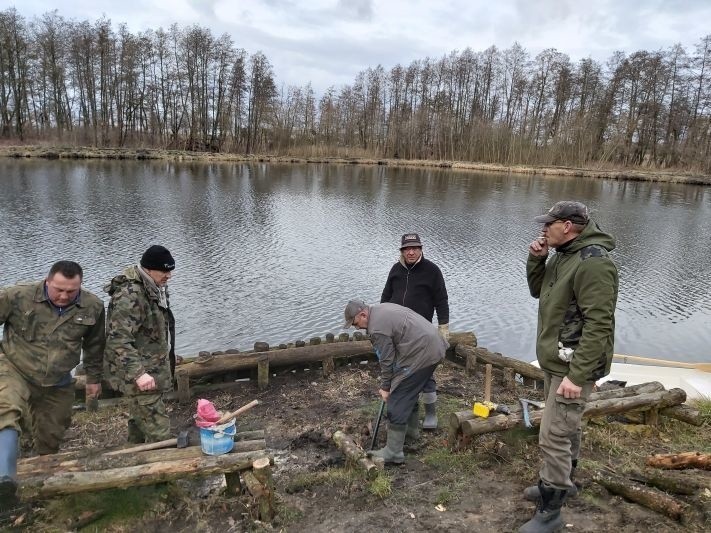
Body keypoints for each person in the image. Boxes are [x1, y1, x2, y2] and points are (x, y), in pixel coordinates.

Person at [521, 201, 618, 533]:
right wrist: (537, 258)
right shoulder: (564, 255)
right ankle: (564, 482)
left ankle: (551, 509)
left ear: (567, 226)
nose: (543, 229)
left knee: (553, 436)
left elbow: (599, 325)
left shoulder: (594, 264)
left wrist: (577, 376)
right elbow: (539, 292)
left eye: (548, 224)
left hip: (573, 365)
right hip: (554, 359)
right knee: (567, 428)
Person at [0, 261, 106, 510]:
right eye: (58, 289)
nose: (64, 296)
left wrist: (93, 379)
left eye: (71, 291)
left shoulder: (93, 306)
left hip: (57, 379)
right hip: (14, 368)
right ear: (47, 282)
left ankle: (44, 486)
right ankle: (4, 480)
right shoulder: (17, 296)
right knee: (6, 409)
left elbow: (95, 345)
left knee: (51, 434)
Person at [343, 300, 447, 464]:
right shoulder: (379, 310)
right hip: (431, 346)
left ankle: (394, 452)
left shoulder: (377, 328)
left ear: (363, 314)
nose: (357, 328)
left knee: (398, 397)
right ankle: (411, 432)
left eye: (356, 324)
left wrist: (386, 387)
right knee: (408, 390)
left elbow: (387, 360)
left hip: (423, 352)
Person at [104, 245, 176, 444]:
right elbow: (118, 339)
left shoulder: (154, 287)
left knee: (139, 419)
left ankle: (135, 460)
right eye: (164, 271)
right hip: (139, 374)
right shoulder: (130, 295)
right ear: (149, 269)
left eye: (170, 271)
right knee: (159, 431)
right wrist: (139, 374)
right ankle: (164, 471)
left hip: (151, 369)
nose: (168, 275)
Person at [380, 233, 449, 429]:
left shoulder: (432, 271)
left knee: (425, 372)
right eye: (407, 249)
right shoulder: (395, 270)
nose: (411, 252)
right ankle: (406, 414)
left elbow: (441, 300)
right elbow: (385, 297)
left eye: (415, 248)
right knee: (399, 372)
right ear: (402, 251)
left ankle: (431, 415)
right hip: (397, 333)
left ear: (421, 249)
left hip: (421, 335)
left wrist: (443, 328)